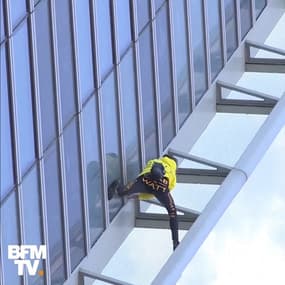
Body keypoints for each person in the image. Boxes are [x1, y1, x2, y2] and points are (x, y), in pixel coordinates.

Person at [108, 154, 179, 251]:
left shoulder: (155, 160)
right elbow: (167, 189)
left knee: (123, 192)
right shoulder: (173, 176)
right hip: (161, 188)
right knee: (173, 213)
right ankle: (175, 241)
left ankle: (117, 185)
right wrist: (141, 196)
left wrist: (140, 193)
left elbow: (147, 168)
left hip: (146, 180)